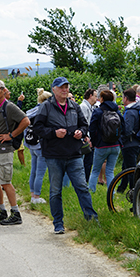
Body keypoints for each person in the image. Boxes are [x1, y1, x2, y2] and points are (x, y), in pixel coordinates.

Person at [33, 77, 98, 234]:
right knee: (55, 190)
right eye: (61, 87)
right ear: (54, 89)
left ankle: (92, 219)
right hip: (54, 155)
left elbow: (84, 125)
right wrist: (54, 133)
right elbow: (37, 128)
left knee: (82, 187)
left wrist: (81, 132)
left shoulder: (74, 106)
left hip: (74, 154)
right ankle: (58, 223)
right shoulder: (46, 107)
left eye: (66, 87)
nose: (65, 89)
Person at [0, 79, 29, 226]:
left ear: (3, 90)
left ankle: (15, 213)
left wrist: (11, 135)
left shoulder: (9, 107)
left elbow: (26, 121)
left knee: (5, 181)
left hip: (4, 149)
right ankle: (1, 211)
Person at [88, 90, 125, 193]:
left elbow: (92, 129)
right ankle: (111, 194)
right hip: (115, 145)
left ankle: (91, 192)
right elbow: (124, 127)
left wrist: (95, 143)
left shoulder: (98, 111)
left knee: (95, 170)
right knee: (110, 171)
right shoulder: (117, 111)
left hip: (101, 146)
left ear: (102, 99)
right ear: (113, 99)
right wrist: (119, 140)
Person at [25, 88, 52, 204]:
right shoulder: (45, 112)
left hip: (32, 145)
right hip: (41, 146)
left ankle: (32, 194)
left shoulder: (31, 112)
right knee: (40, 173)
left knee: (33, 171)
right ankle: (36, 196)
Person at [117, 88, 140, 193]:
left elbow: (127, 130)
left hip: (130, 144)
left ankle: (134, 191)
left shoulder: (130, 112)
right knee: (125, 167)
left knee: (131, 170)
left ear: (126, 98)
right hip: (137, 142)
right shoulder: (137, 109)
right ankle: (122, 188)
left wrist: (120, 140)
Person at [80, 88, 97, 182]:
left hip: (88, 138)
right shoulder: (83, 107)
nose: (96, 98)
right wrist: (86, 137)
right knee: (85, 162)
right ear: (90, 96)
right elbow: (84, 123)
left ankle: (85, 180)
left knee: (88, 162)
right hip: (85, 139)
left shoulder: (89, 107)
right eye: (95, 96)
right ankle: (83, 180)